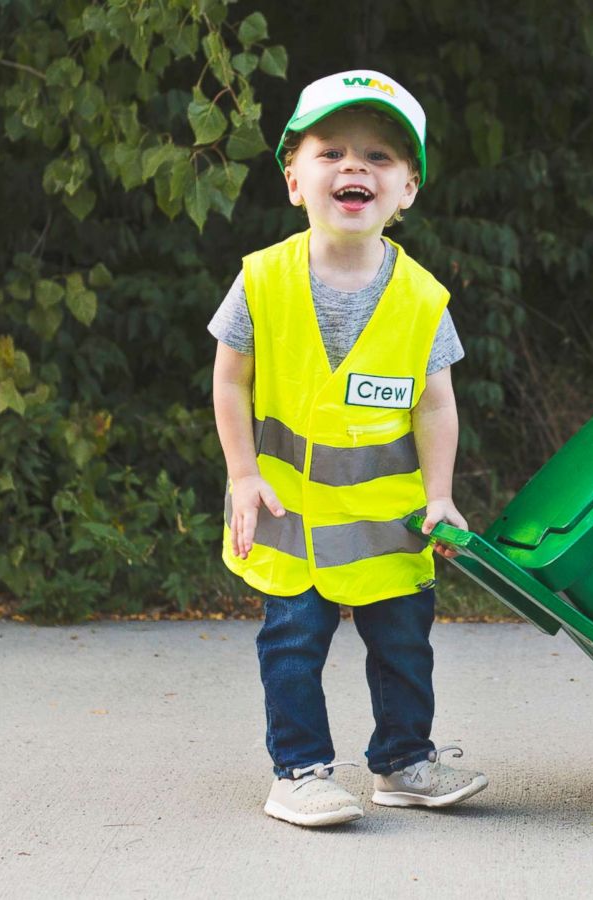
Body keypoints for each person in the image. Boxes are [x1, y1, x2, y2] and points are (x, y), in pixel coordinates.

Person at [208, 69, 486, 827]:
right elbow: (230, 383)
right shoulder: (260, 281)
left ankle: (402, 762)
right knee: (292, 646)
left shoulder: (424, 300)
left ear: (408, 192)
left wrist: (439, 494)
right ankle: (298, 772)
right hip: (288, 514)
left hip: (386, 523)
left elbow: (435, 405)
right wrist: (240, 475)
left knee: (404, 650)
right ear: (294, 178)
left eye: (380, 157)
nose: (354, 167)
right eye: (331, 151)